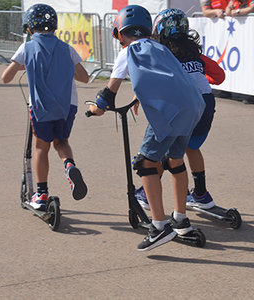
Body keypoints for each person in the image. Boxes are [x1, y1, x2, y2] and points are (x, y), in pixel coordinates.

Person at [88, 5, 206, 251]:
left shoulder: (128, 51)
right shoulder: (161, 48)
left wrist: (94, 110)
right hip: (193, 107)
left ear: (120, 33)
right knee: (175, 160)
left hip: (169, 113)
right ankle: (181, 220)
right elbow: (167, 78)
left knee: (145, 163)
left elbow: (107, 96)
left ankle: (159, 227)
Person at [135, 8, 226, 211]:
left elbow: (153, 81)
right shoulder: (197, 56)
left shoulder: (163, 55)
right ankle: (201, 194)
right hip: (205, 105)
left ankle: (146, 194)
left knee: (162, 151)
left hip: (180, 107)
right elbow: (219, 77)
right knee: (191, 148)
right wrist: (199, 76)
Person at [1, 4, 89, 210]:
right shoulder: (66, 48)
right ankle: (69, 165)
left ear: (29, 28)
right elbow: (84, 77)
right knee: (62, 142)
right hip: (68, 105)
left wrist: (26, 64)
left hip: (41, 107)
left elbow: (5, 77)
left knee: (42, 147)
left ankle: (41, 194)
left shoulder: (27, 47)